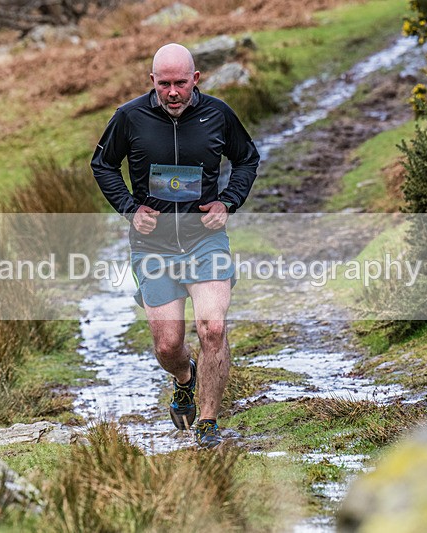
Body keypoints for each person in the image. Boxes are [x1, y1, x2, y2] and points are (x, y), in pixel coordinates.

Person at [91, 42, 260, 449]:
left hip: (205, 240)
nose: (172, 92)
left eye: (180, 83)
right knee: (168, 345)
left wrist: (229, 201)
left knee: (213, 328)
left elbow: (248, 158)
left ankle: (207, 422)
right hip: (153, 247)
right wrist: (131, 209)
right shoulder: (128, 118)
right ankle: (185, 378)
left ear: (195, 79)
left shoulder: (218, 114)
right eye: (164, 84)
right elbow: (102, 164)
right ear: (152, 82)